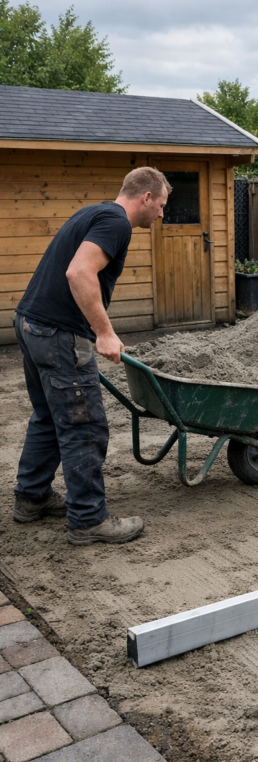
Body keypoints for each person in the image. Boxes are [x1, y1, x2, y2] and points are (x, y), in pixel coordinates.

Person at [13, 166, 171, 543]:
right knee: (84, 427)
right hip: (58, 333)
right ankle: (88, 520)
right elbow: (79, 272)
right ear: (146, 197)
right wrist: (104, 333)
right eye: (162, 205)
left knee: (49, 418)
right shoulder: (116, 223)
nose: (162, 214)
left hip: (31, 323)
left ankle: (31, 499)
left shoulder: (94, 212)